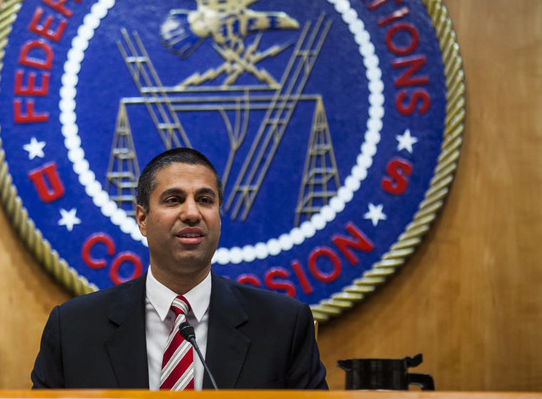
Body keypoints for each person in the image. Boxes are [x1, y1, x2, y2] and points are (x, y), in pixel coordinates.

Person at [31, 148, 327, 389]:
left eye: (205, 200)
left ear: (219, 218)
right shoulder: (72, 328)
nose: (191, 213)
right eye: (174, 200)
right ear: (142, 219)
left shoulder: (283, 325)